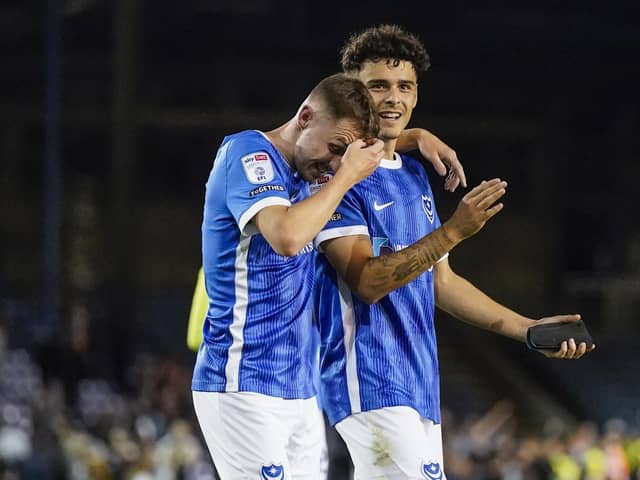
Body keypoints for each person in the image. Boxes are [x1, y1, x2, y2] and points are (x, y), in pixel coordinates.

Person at [313, 24, 595, 480]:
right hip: (367, 379)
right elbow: (365, 283)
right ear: (353, 93)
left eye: (404, 86)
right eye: (377, 86)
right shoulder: (336, 178)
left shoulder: (412, 176)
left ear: (417, 94)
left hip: (419, 384)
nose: (392, 99)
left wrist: (527, 328)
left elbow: (441, 282)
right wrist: (453, 232)